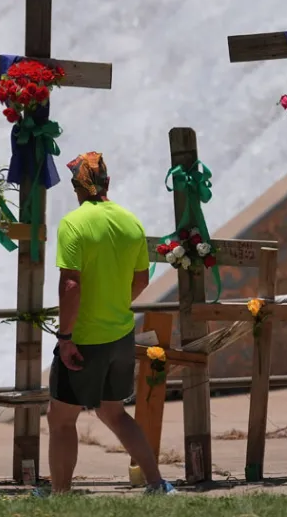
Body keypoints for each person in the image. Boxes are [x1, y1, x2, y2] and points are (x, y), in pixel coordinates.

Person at [45, 151, 175, 495]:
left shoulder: (74, 224)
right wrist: (115, 304)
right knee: (114, 414)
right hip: (121, 334)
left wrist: (66, 337)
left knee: (60, 420)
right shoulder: (131, 222)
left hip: (85, 338)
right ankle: (156, 483)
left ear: (77, 187)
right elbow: (141, 279)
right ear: (107, 183)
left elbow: (71, 284)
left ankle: (60, 494)